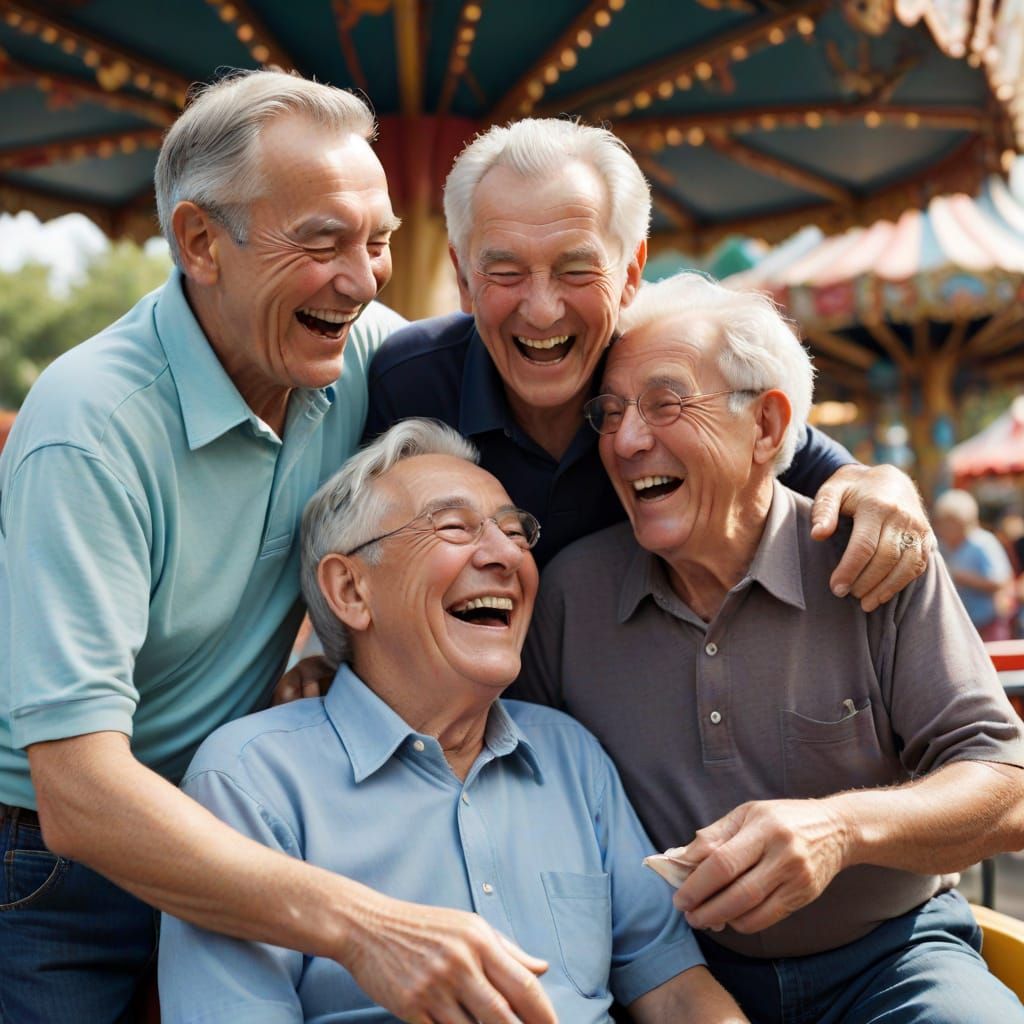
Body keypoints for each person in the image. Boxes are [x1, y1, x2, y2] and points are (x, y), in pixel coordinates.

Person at [0, 70, 555, 1024]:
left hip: (237, 812)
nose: (365, 279)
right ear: (200, 243)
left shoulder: (365, 353)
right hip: (55, 868)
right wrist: (366, 927)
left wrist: (818, 470)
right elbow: (79, 794)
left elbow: (591, 362)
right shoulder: (91, 425)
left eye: (377, 241)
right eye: (323, 242)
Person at [514, 272, 1024, 1023]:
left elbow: (1007, 785)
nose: (624, 441)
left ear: (765, 425)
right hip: (661, 974)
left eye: (665, 403)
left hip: (891, 960)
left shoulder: (873, 561)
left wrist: (840, 831)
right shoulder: (568, 594)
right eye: (610, 413)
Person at [158, 419, 749, 1024]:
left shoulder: (569, 754)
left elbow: (672, 984)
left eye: (515, 532)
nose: (506, 555)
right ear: (351, 590)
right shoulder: (250, 780)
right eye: (453, 528)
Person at [364, 118, 931, 595]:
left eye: (576, 269)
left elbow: (806, 457)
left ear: (631, 273)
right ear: (464, 278)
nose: (541, 311)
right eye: (506, 272)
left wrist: (883, 484)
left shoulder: (660, 367)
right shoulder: (408, 382)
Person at [934, 489, 1015, 642]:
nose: (943, 527)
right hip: (957, 626)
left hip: (986, 625)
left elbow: (1001, 581)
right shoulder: (942, 545)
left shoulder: (983, 543)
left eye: (949, 522)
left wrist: (964, 578)